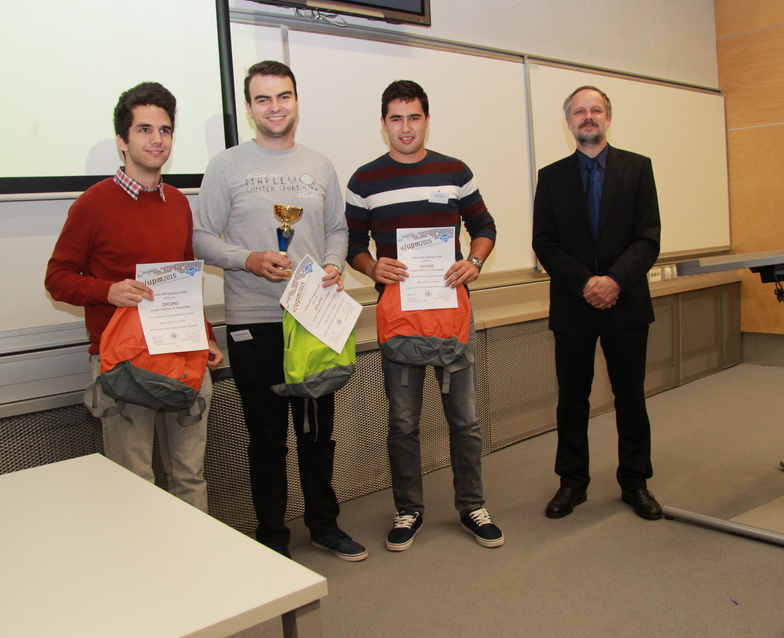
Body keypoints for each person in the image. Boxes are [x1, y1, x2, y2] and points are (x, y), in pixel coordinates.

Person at [192, 60, 366, 562]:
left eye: (283, 96)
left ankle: (324, 524)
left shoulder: (320, 165)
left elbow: (337, 230)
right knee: (266, 438)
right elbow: (200, 237)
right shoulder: (226, 166)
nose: (275, 107)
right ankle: (272, 534)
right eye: (263, 99)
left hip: (314, 319)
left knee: (317, 433)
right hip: (254, 321)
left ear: (296, 101)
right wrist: (247, 258)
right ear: (250, 108)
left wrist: (333, 264)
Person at [46, 82, 223, 512]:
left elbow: (183, 277)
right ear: (122, 141)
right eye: (144, 129)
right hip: (123, 363)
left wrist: (206, 336)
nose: (156, 139)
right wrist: (108, 290)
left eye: (165, 130)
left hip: (182, 355)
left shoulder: (178, 202)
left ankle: (195, 555)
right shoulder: (92, 205)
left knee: (189, 476)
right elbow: (57, 279)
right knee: (134, 484)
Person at [346, 79, 504, 551]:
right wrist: (371, 267)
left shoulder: (455, 171)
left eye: (414, 117)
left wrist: (474, 261)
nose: (405, 127)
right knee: (403, 423)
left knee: (465, 421)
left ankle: (472, 506)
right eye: (396, 118)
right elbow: (353, 244)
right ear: (383, 124)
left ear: (427, 120)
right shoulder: (363, 181)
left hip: (452, 315)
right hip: (400, 319)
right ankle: (408, 510)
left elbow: (484, 226)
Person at [532, 85, 663, 521]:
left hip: (627, 303)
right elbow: (544, 243)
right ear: (568, 121)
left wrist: (615, 282)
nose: (587, 117)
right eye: (579, 111)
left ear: (608, 117)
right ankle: (572, 482)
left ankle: (635, 482)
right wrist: (587, 283)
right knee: (572, 400)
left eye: (596, 110)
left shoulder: (638, 168)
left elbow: (648, 238)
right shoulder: (551, 177)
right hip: (573, 305)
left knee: (631, 397)